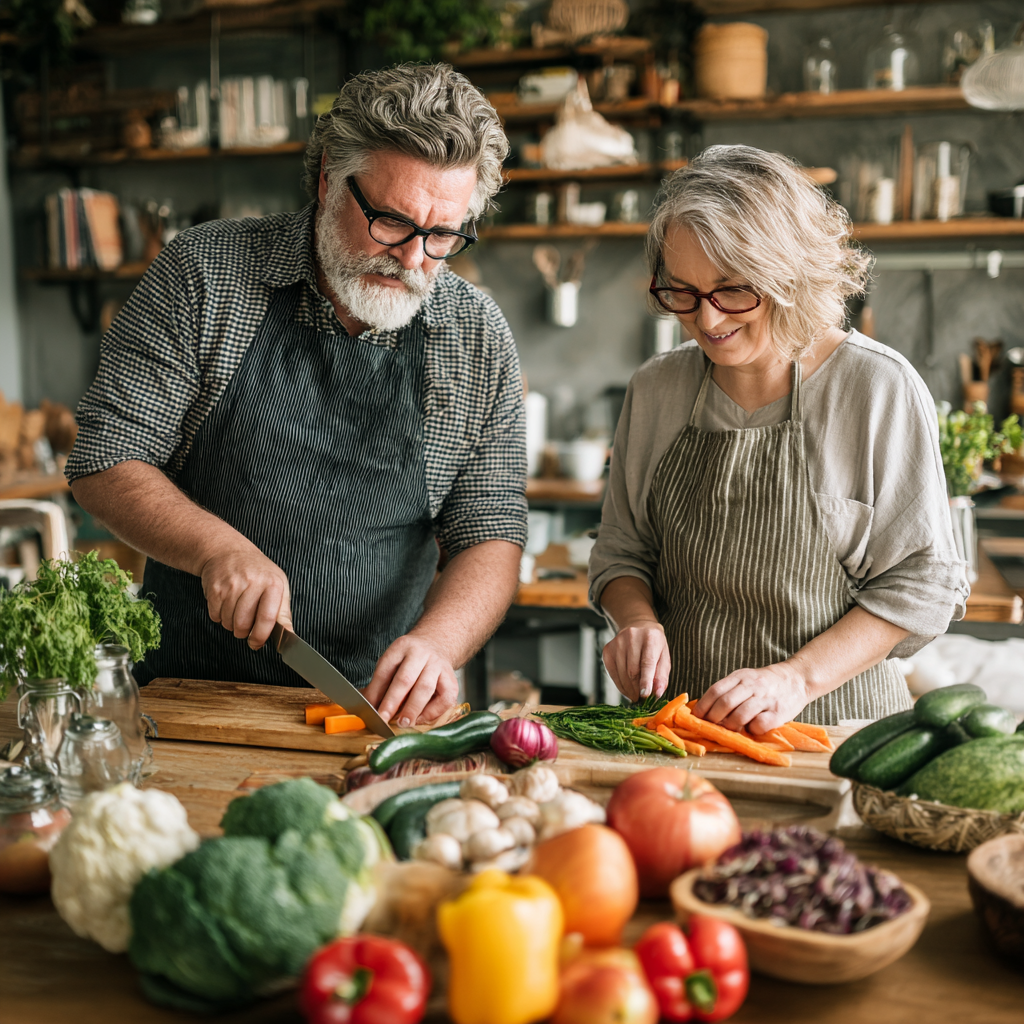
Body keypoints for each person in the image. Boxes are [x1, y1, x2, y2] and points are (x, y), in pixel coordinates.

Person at [67, 64, 526, 727]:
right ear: (327, 180)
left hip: (371, 709)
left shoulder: (475, 335)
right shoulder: (207, 274)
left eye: (443, 235)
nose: (413, 259)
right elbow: (106, 459)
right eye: (392, 223)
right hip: (195, 700)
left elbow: (490, 529)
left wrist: (436, 646)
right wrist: (217, 550)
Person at [589, 145, 968, 731]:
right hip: (677, 735)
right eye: (682, 292)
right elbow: (620, 552)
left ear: (790, 274)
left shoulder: (876, 387)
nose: (708, 321)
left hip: (835, 740)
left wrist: (796, 677)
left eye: (733, 289)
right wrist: (634, 619)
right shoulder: (656, 388)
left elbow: (923, 584)